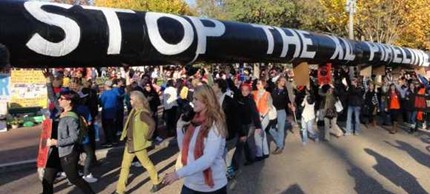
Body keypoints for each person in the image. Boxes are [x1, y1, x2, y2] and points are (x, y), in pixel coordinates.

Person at [163, 84, 228, 194]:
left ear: (206, 101)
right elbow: (185, 150)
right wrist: (179, 128)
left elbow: (208, 159)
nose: (193, 102)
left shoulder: (215, 124)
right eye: (193, 98)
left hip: (212, 187)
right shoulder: (195, 122)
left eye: (196, 99)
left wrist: (178, 174)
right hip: (191, 183)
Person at [46, 90, 95, 194]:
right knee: (47, 178)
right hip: (56, 151)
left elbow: (74, 138)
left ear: (69, 101)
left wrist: (56, 142)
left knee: (74, 178)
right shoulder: (61, 111)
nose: (59, 100)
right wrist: (48, 80)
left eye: (61, 99)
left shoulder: (72, 117)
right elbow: (52, 96)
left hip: (68, 153)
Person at [115, 91, 162, 194]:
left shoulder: (142, 113)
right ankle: (120, 190)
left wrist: (147, 137)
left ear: (136, 101)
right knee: (125, 166)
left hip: (138, 145)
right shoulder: (134, 111)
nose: (129, 101)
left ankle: (156, 181)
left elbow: (152, 124)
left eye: (131, 99)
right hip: (130, 143)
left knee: (147, 164)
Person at [270, 76, 295, 154]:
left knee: (281, 130)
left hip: (281, 112)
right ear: (278, 81)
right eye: (282, 81)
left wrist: (292, 106)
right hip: (272, 112)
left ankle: (279, 147)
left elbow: (287, 101)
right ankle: (279, 141)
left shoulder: (285, 91)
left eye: (285, 81)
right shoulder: (273, 89)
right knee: (270, 129)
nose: (284, 82)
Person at [252, 79, 271, 158]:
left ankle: (259, 154)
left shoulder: (267, 94)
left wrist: (262, 116)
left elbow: (269, 106)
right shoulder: (254, 93)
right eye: (257, 84)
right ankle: (265, 152)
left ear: (263, 85)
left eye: (259, 84)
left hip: (264, 116)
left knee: (257, 134)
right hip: (257, 116)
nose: (257, 85)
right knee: (262, 134)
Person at [99, 80, 120, 147]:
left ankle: (109, 141)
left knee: (107, 127)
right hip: (114, 112)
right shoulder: (115, 93)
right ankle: (114, 140)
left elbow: (101, 103)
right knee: (113, 127)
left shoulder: (104, 94)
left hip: (106, 112)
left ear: (106, 85)